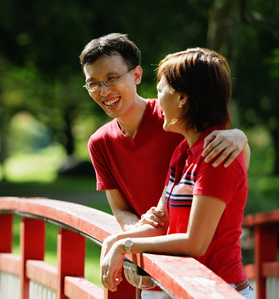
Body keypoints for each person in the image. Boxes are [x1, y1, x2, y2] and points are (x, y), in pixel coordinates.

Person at [99, 48, 254, 298]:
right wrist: (114, 240)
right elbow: (162, 222)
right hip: (186, 288)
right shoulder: (183, 151)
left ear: (182, 98)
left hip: (219, 292)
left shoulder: (215, 156)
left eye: (161, 91)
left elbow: (195, 243)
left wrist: (125, 245)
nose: (157, 100)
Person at [79, 33, 250, 231]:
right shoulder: (99, 142)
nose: (104, 91)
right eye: (93, 84)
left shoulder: (176, 120)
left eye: (111, 78)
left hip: (194, 247)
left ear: (136, 75)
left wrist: (239, 136)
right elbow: (120, 210)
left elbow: (230, 166)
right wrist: (138, 232)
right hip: (148, 250)